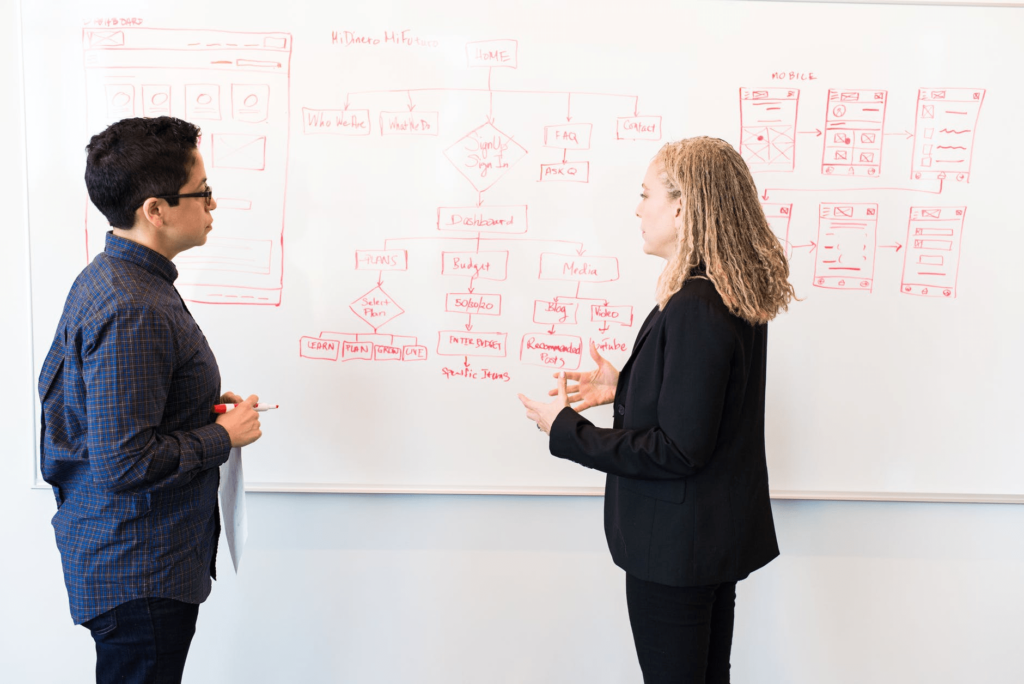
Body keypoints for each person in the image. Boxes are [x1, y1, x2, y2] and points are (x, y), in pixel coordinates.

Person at [518, 137, 796, 683]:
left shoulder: (695, 304)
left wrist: (567, 430)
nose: (638, 208)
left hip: (676, 554)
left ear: (682, 206)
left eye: (646, 195)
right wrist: (624, 387)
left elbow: (677, 449)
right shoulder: (729, 294)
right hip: (705, 544)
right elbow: (708, 408)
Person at [38, 116, 264, 684]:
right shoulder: (132, 307)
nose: (213, 205)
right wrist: (224, 437)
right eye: (203, 193)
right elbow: (126, 460)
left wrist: (198, 413)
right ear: (156, 210)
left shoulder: (121, 281)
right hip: (139, 569)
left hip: (132, 559)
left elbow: (118, 422)